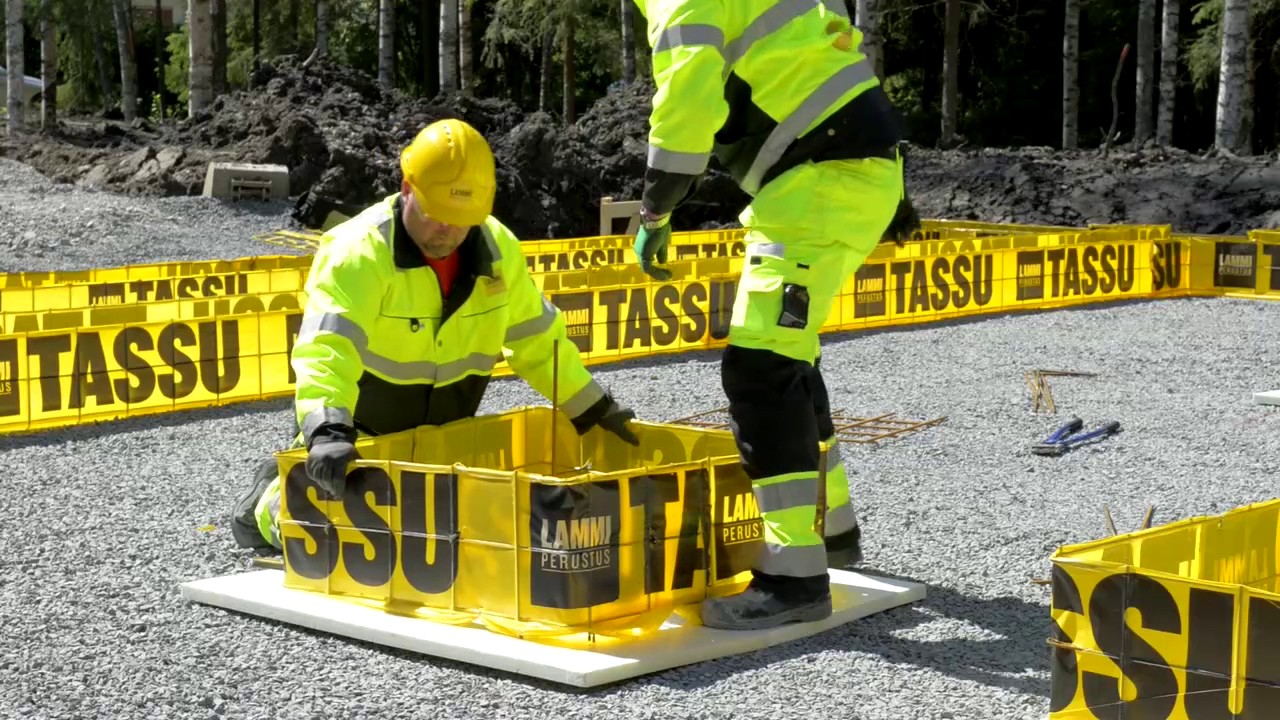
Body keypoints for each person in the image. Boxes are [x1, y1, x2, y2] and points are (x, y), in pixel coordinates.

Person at [630, 1, 922, 630]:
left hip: (821, 177)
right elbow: (831, 47)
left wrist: (656, 211)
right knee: (790, 356)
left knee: (759, 369)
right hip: (851, 164)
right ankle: (833, 533)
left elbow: (688, 101)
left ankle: (794, 580)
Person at [231, 118, 641, 551]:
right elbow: (327, 348)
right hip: (364, 439)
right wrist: (328, 432)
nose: (447, 230)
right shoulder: (358, 252)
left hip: (449, 441)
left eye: (461, 219)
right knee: (339, 541)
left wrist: (591, 407)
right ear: (407, 188)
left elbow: (539, 340)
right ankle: (268, 498)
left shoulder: (499, 251)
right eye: (436, 215)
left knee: (457, 544)